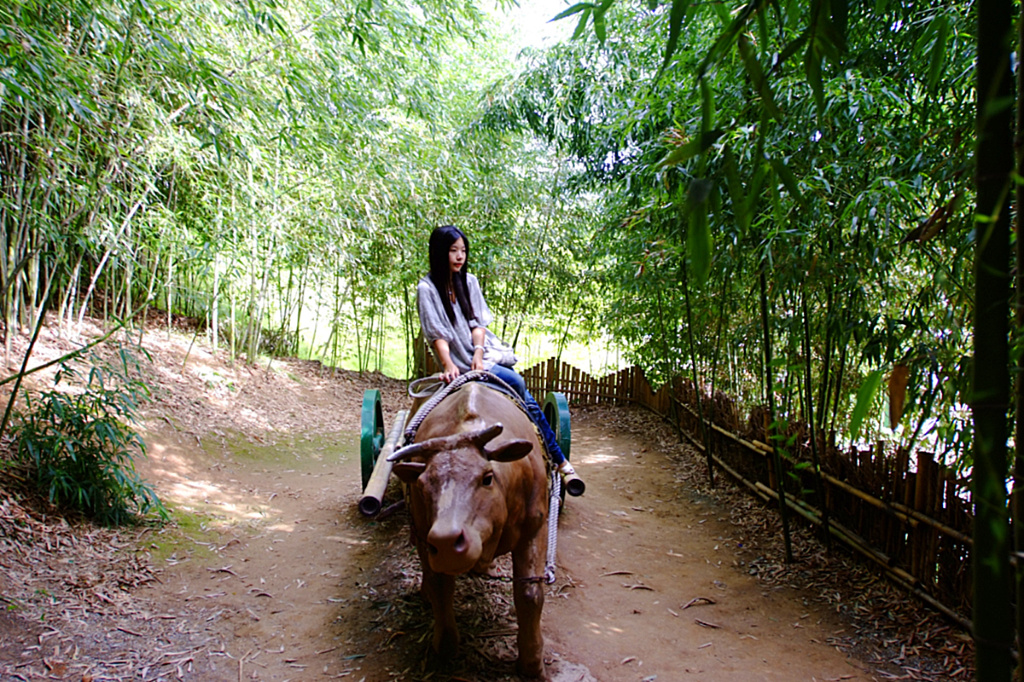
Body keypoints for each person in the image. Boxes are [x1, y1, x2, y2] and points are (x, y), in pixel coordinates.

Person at [417, 224, 577, 478]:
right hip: (457, 360)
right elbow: (438, 334)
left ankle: (556, 456)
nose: (460, 256)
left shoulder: (469, 282)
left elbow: (478, 324)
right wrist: (448, 364)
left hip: (483, 353)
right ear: (439, 253)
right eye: (453, 251)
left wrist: (479, 354)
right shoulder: (427, 289)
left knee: (516, 383)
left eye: (463, 251)